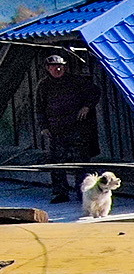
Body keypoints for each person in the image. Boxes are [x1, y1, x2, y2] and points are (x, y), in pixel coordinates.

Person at [36, 53, 99, 205]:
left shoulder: (77, 81)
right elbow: (39, 108)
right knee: (57, 164)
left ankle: (82, 192)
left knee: (81, 163)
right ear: (48, 68)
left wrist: (87, 106)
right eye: (54, 67)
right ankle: (60, 192)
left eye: (61, 66)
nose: (58, 69)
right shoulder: (44, 85)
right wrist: (43, 127)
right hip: (56, 131)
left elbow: (95, 92)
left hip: (77, 129)